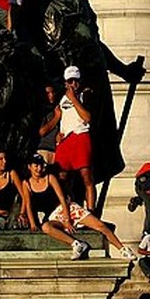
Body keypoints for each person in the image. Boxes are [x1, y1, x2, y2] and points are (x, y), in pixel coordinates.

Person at [21, 153, 135, 261]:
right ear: (29, 167)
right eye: (36, 165)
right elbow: (28, 204)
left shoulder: (50, 178)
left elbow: (62, 198)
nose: (39, 168)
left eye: (41, 165)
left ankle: (122, 249)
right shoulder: (26, 183)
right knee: (46, 227)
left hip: (67, 209)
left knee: (100, 225)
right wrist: (32, 224)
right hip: (53, 216)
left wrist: (67, 218)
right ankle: (76, 244)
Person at [49, 65, 96, 211]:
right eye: (70, 81)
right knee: (61, 176)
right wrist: (58, 133)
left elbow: (87, 117)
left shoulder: (86, 95)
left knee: (86, 176)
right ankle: (66, 207)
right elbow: (61, 118)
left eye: (76, 81)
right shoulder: (61, 99)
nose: (73, 84)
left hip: (81, 136)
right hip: (65, 140)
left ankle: (91, 210)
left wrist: (74, 100)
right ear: (65, 83)